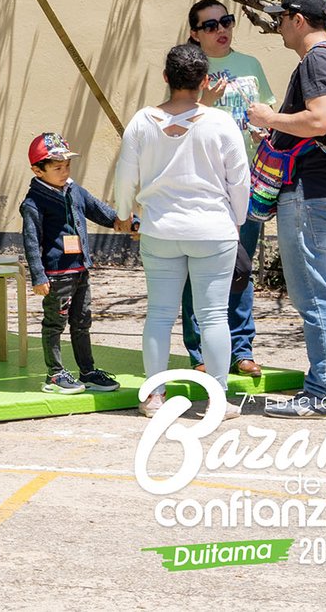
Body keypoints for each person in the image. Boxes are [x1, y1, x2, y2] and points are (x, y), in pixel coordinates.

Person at [113, 44, 250, 419]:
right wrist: (237, 219)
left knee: (159, 314)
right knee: (213, 317)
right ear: (205, 81)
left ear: (165, 78)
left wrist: (124, 213)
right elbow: (239, 179)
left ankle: (154, 396)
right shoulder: (220, 122)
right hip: (213, 229)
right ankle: (217, 399)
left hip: (160, 230)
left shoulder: (142, 121)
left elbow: (125, 175)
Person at [247, 0, 326, 419]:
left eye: (281, 18)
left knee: (312, 294)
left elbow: (319, 120)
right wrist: (277, 132)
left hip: (306, 192)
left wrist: (269, 117)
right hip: (322, 189)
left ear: (298, 20)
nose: (278, 26)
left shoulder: (318, 60)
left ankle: (322, 391)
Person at [184, 0, 272, 378]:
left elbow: (268, 112)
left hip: (247, 181)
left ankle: (241, 349)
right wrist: (206, 101)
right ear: (195, 33)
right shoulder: (189, 69)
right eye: (210, 25)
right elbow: (176, 126)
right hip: (204, 185)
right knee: (199, 267)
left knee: (241, 266)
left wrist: (263, 129)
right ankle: (200, 351)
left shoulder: (250, 65)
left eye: (227, 21)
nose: (221, 30)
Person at [19, 132, 125, 395]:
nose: (64, 171)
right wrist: (38, 276)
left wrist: (122, 221)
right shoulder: (34, 202)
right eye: (57, 168)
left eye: (67, 165)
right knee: (55, 324)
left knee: (82, 322)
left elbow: (98, 209)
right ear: (38, 170)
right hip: (57, 275)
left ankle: (87, 371)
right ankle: (54, 375)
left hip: (80, 270)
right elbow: (31, 241)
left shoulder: (74, 189)